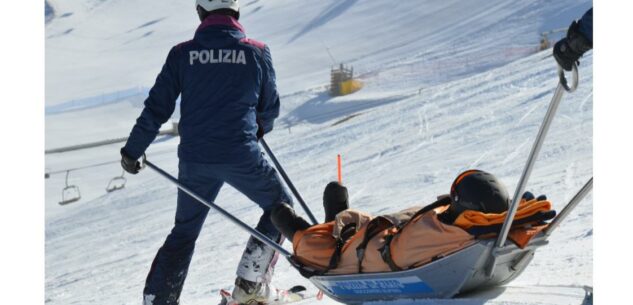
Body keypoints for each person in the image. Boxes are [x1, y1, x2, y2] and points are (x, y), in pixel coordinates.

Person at [119, 1, 292, 304]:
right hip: (242, 155)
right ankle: (250, 284)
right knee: (280, 208)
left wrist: (133, 151)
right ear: (236, 12)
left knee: (185, 231)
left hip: (195, 159)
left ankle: (159, 299)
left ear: (201, 12)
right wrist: (258, 129)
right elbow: (269, 108)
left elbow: (157, 107)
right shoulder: (257, 52)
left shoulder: (182, 54)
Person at [271, 170, 554, 275]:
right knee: (346, 225)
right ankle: (335, 222)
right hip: (384, 234)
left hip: (362, 254)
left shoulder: (452, 231)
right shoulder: (469, 226)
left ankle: (329, 223)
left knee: (303, 238)